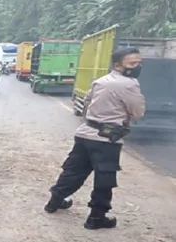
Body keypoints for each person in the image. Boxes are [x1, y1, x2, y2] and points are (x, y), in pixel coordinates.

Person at [44, 48, 146, 230]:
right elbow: (137, 112)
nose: (138, 66)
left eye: (139, 62)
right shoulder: (130, 84)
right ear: (118, 65)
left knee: (73, 171)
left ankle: (54, 202)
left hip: (85, 133)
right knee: (104, 178)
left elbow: (87, 103)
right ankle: (96, 218)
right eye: (132, 63)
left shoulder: (100, 81)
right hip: (107, 139)